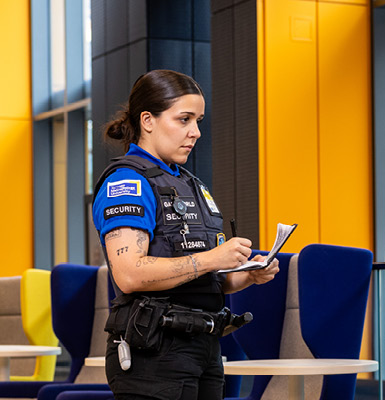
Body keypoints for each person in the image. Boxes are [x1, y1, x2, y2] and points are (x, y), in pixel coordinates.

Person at [91, 69, 279, 400]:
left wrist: (247, 275)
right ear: (147, 120)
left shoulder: (191, 185)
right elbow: (129, 274)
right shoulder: (128, 183)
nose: (195, 132)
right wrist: (211, 258)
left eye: (198, 120)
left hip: (204, 347)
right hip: (155, 353)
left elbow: (209, 279)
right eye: (184, 119)